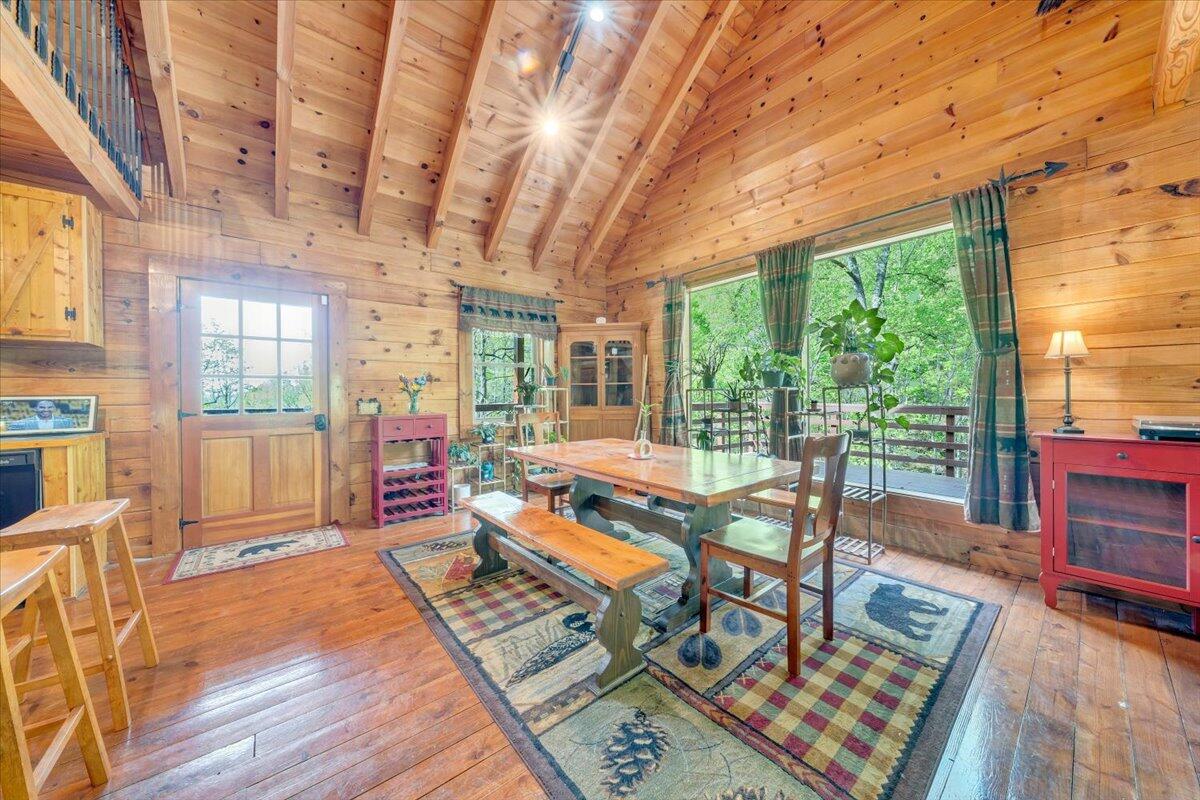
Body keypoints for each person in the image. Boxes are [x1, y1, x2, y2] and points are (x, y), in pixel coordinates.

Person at [8, 400, 76, 431]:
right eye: (42, 407)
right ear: (35, 409)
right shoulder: (23, 423)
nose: (46, 410)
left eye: (49, 407)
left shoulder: (66, 422)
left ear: (54, 408)